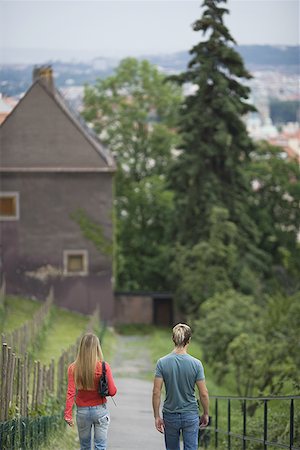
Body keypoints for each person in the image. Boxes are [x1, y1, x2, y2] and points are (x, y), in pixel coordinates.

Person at [152, 323, 209, 450]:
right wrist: (205, 413)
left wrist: (156, 416)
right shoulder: (196, 364)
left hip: (170, 414)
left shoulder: (162, 362)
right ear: (189, 340)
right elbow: (203, 393)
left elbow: (156, 392)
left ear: (173, 339)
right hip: (190, 414)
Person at [64, 333, 117, 450]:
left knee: (85, 446)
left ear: (81, 348)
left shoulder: (73, 368)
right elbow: (112, 391)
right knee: (100, 446)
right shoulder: (104, 366)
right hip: (100, 411)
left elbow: (71, 392)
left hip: (82, 412)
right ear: (97, 348)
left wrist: (68, 415)